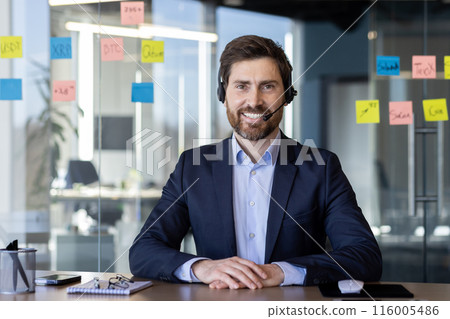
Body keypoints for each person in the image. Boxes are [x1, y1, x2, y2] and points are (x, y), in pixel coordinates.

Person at [129, 35, 382, 289]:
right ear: (223, 94)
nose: (254, 101)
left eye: (268, 86)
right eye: (241, 86)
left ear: (286, 95)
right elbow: (144, 251)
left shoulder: (320, 168)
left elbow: (365, 257)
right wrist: (203, 267)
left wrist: (282, 272)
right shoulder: (193, 167)